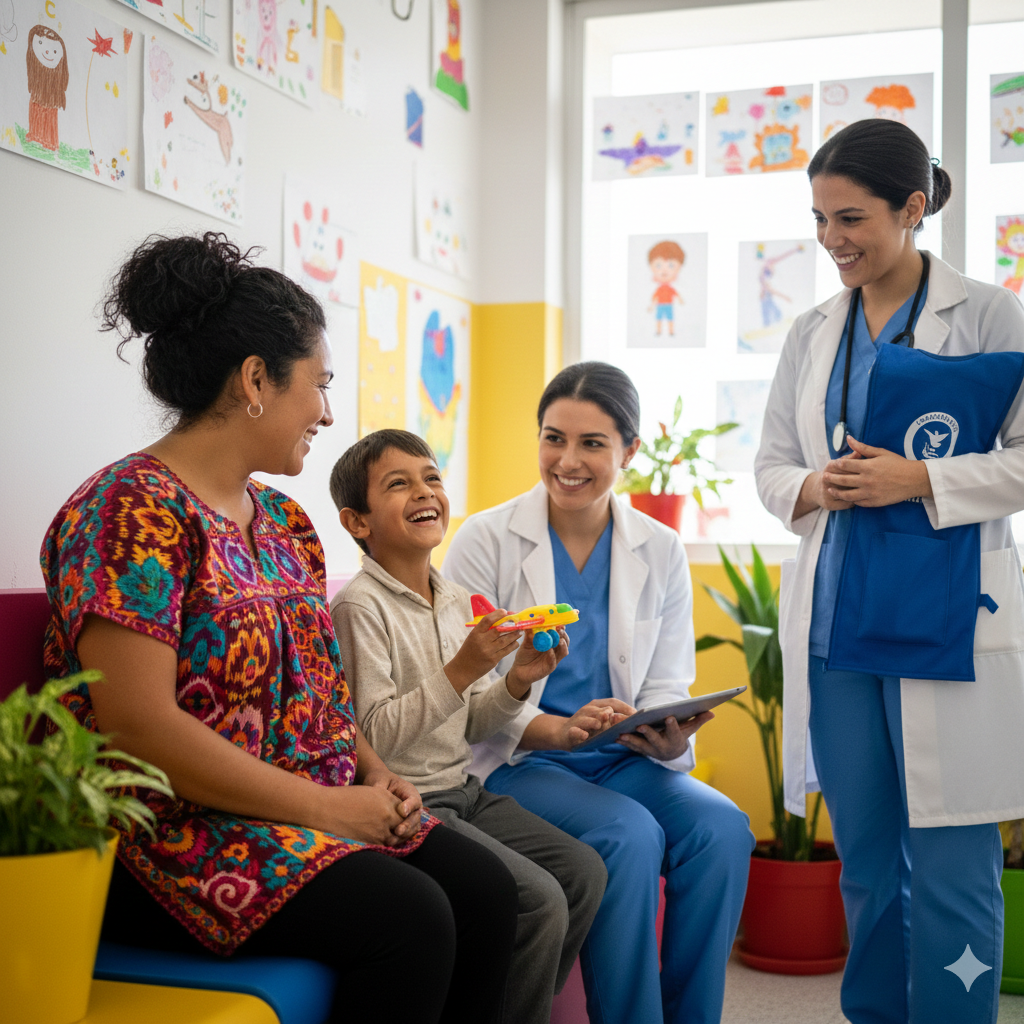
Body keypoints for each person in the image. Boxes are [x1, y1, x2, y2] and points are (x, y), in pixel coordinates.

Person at [41, 233, 519, 1024]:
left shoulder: (286, 521)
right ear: (256, 380)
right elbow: (135, 727)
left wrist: (372, 775)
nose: (328, 413)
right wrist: (325, 810)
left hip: (298, 804)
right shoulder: (128, 510)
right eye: (320, 386)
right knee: (413, 917)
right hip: (168, 834)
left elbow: (320, 693)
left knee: (487, 892)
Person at [755, 118, 1024, 1024]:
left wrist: (923, 479)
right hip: (838, 630)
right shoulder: (811, 331)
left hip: (946, 621)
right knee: (867, 864)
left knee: (951, 864)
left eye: (852, 218)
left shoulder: (987, 313)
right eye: (821, 218)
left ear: (913, 209)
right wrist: (815, 486)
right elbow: (770, 468)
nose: (833, 240)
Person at [443, 361, 755, 1024]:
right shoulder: (484, 539)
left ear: (629, 451)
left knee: (724, 828)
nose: (568, 460)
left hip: (622, 755)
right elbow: (468, 685)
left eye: (592, 444)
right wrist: (551, 728)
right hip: (520, 759)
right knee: (628, 835)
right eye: (553, 438)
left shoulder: (661, 547)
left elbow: (668, 677)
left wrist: (667, 730)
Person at [327, 428, 608, 1024]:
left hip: (464, 791)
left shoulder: (456, 599)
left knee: (583, 873)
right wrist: (461, 670)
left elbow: (474, 722)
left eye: (431, 477)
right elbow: (371, 737)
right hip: (410, 802)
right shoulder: (359, 607)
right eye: (398, 484)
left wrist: (514, 682)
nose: (424, 491)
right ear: (358, 522)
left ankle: (504, 1003)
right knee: (538, 902)